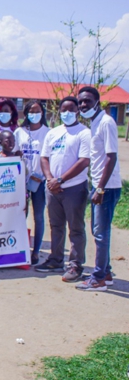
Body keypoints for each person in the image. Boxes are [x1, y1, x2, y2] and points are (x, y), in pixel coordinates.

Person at [36, 97, 91, 283]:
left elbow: (84, 161)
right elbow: (44, 158)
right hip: (53, 188)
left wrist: (61, 179)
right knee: (56, 226)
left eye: (71, 109)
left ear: (77, 111)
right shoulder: (53, 133)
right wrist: (51, 179)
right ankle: (56, 259)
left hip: (74, 188)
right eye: (63, 109)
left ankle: (76, 264)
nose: (67, 113)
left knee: (75, 228)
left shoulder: (84, 133)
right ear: (59, 111)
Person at [76, 87, 122, 292]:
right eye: (81, 102)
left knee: (101, 233)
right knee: (97, 231)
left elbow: (111, 157)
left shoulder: (106, 123)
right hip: (99, 185)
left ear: (97, 101)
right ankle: (106, 272)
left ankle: (98, 278)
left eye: (87, 101)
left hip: (107, 187)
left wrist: (101, 188)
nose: (83, 105)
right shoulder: (94, 124)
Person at [14, 100, 50, 264]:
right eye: (31, 111)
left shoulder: (48, 133)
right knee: (21, 214)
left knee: (38, 216)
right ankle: (21, 247)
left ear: (42, 113)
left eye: (37, 111)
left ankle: (36, 252)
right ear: (26, 113)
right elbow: (13, 154)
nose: (34, 114)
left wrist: (44, 176)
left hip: (39, 181)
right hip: (21, 181)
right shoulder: (19, 132)